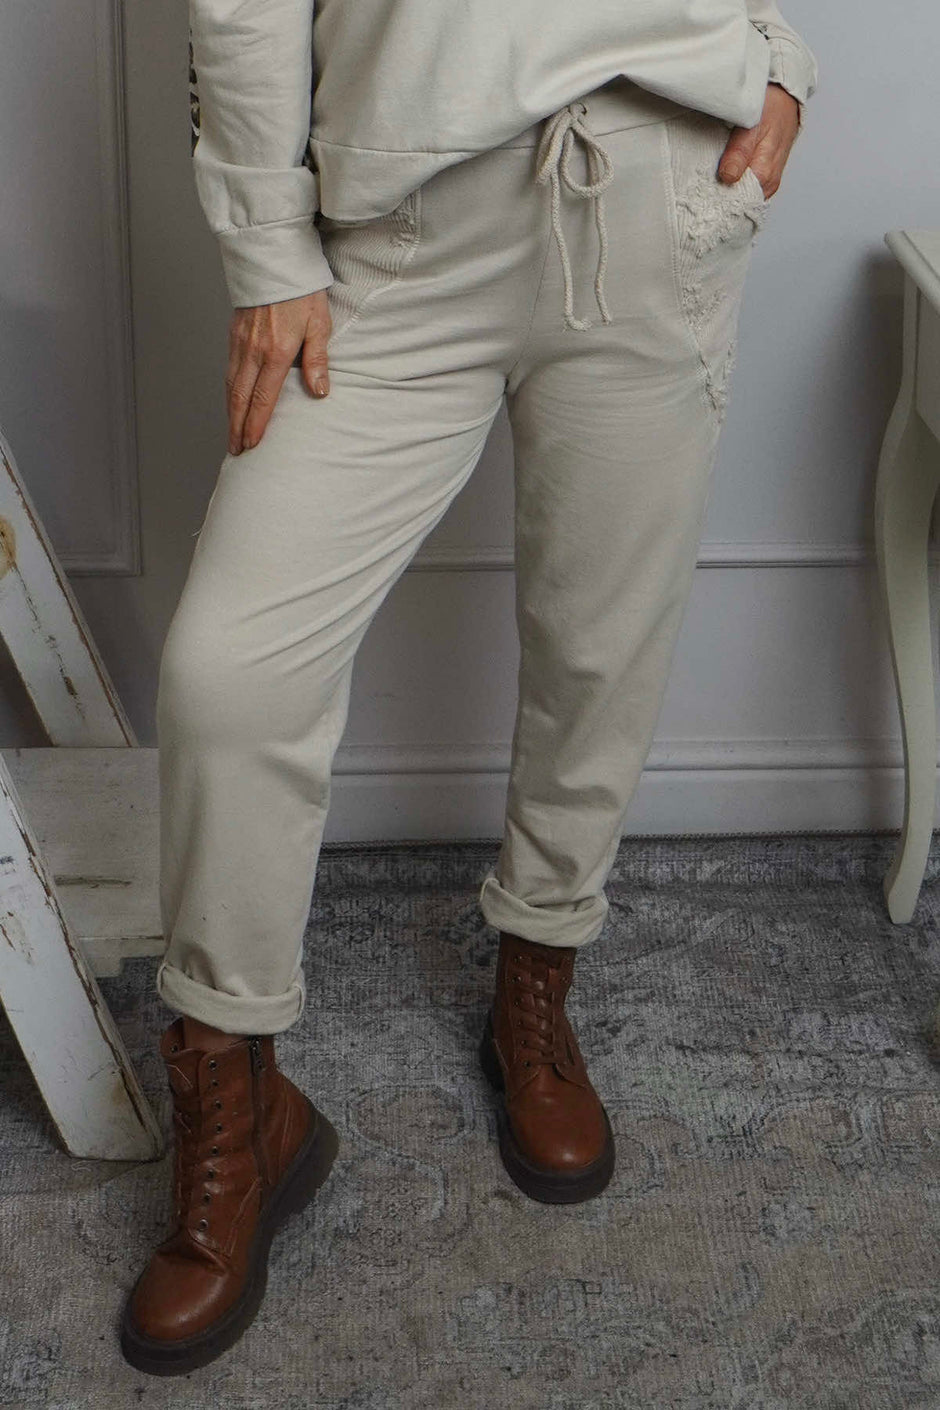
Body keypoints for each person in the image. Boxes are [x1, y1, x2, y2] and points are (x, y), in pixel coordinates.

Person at [120, 0, 818, 1375]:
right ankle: (238, 1105)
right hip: (403, 217)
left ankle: (536, 990)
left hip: (657, 178)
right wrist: (268, 249)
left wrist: (779, 57)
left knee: (599, 649)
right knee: (229, 671)